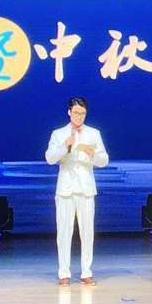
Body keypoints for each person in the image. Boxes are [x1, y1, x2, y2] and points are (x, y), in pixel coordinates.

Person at [45, 97, 109, 286]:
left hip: (86, 188)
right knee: (64, 232)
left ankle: (86, 272)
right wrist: (66, 145)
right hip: (65, 188)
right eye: (76, 113)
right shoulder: (59, 134)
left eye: (82, 113)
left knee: (87, 232)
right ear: (69, 112)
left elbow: (104, 160)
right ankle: (64, 273)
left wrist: (93, 154)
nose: (79, 116)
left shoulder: (94, 133)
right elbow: (50, 158)